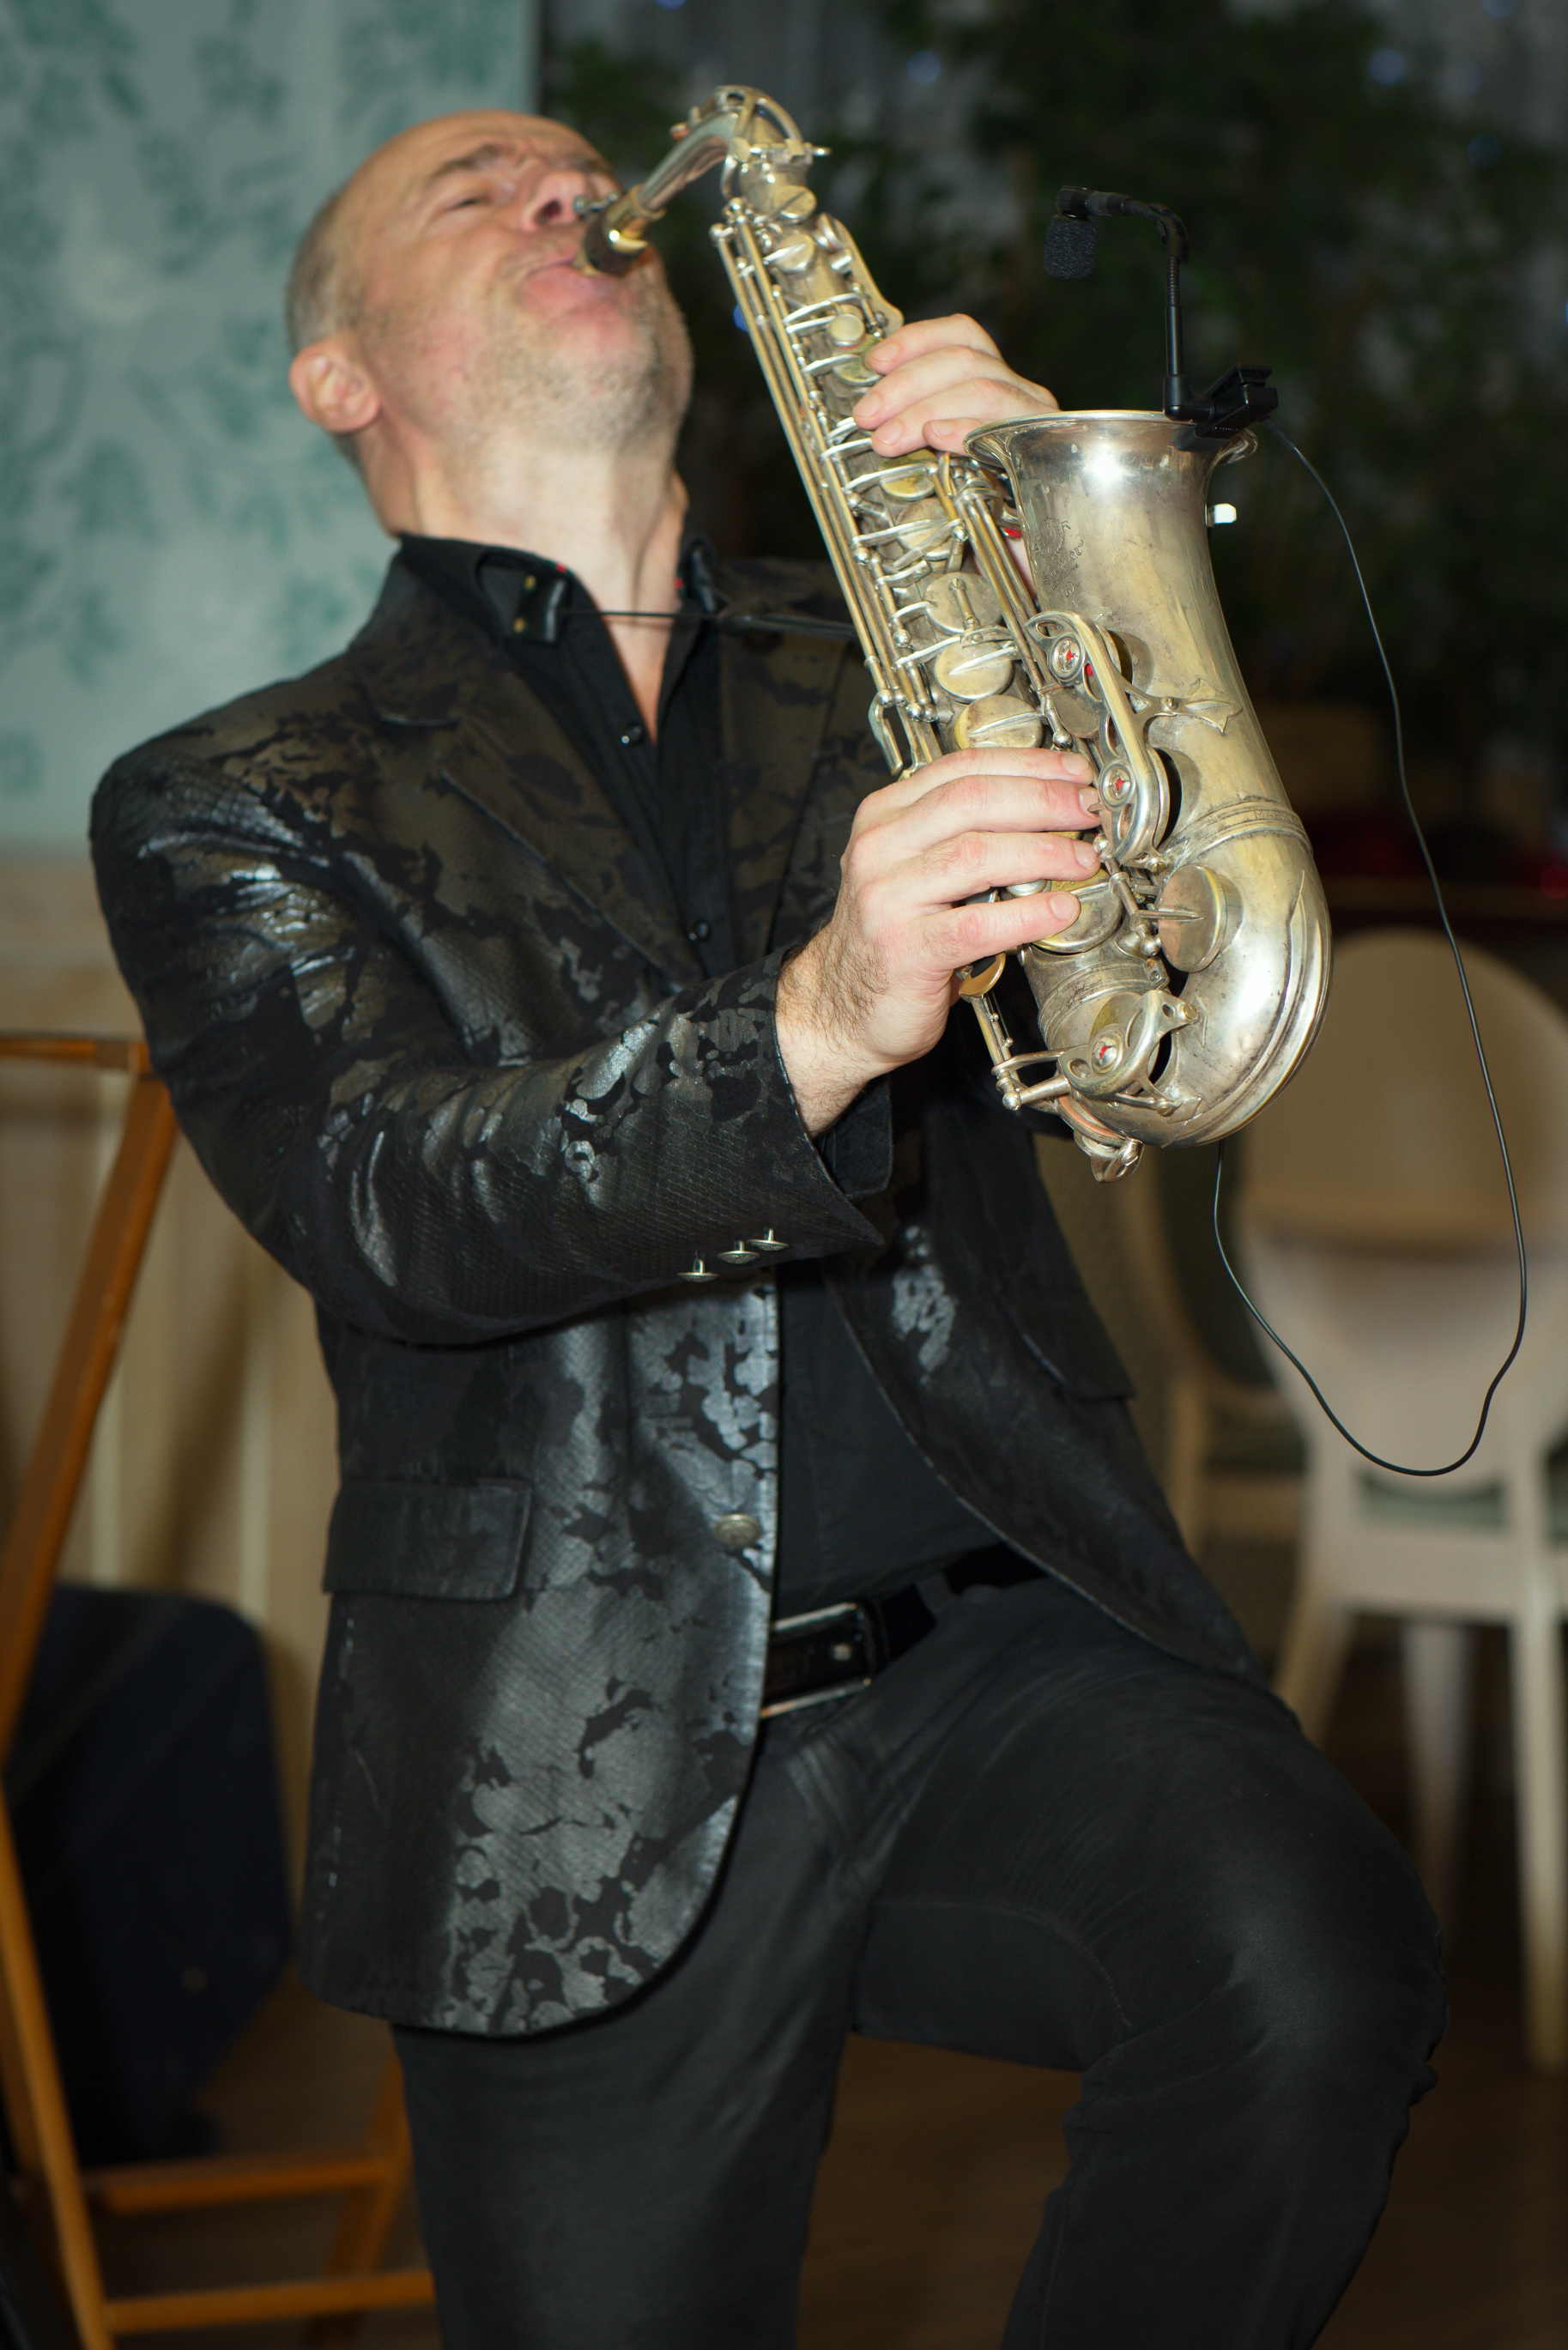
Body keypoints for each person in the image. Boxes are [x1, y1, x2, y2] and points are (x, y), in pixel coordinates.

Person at [91, 107, 1444, 2350]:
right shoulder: (233, 795)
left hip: (1006, 1652)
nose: (564, 185)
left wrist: (1056, 557)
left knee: (1308, 1966)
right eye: (471, 188)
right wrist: (813, 1020)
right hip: (552, 1733)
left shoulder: (900, 656)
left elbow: (1162, 1009)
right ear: (341, 377)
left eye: (573, 170)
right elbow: (389, 1201)